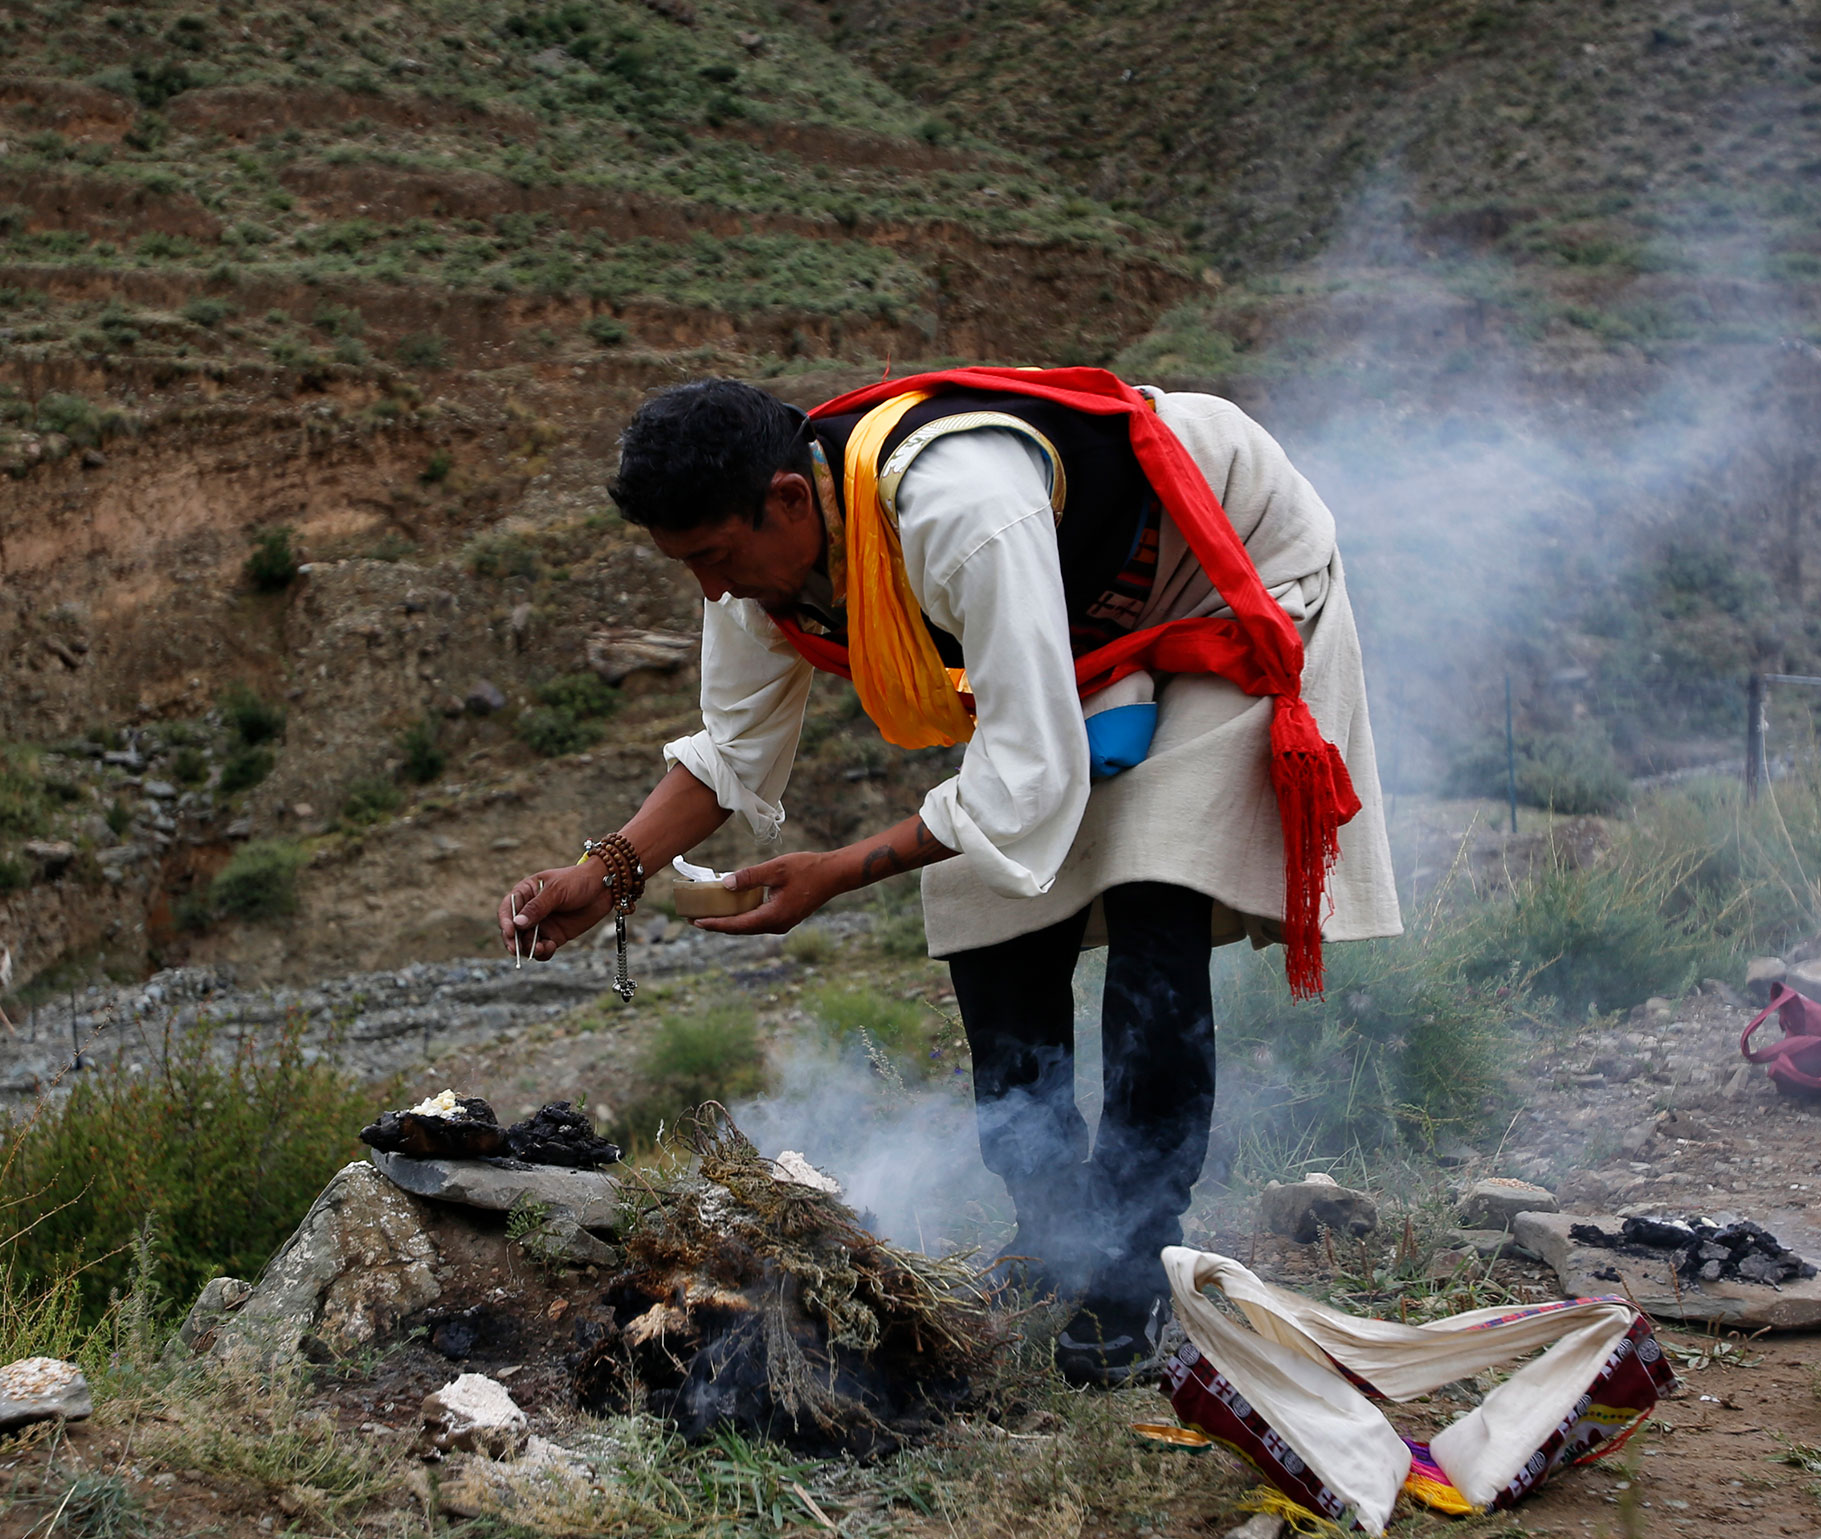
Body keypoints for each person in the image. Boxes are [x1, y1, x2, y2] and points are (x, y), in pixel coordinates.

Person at [495, 365, 1397, 1384]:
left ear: (789, 499)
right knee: (981, 901)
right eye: (685, 565)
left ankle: (1137, 1259)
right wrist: (606, 872)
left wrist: (839, 869)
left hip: (1222, 565)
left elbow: (1023, 779)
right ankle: (1057, 1230)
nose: (710, 588)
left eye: (714, 557)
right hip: (1089, 621)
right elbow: (731, 750)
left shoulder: (960, 510)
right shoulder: (759, 558)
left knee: (1156, 887)